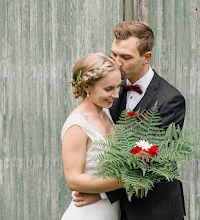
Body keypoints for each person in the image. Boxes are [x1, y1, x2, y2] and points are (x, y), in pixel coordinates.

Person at [73, 21, 186, 220]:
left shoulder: (170, 100)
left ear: (146, 57)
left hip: (154, 210)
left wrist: (102, 193)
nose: (116, 62)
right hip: (117, 210)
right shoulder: (111, 90)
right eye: (114, 54)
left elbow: (153, 164)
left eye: (125, 57)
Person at [61, 52, 123, 220]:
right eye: (109, 89)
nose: (116, 94)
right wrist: (125, 180)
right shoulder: (77, 125)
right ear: (87, 87)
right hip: (87, 213)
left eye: (118, 86)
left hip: (110, 210)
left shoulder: (107, 112)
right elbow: (73, 180)